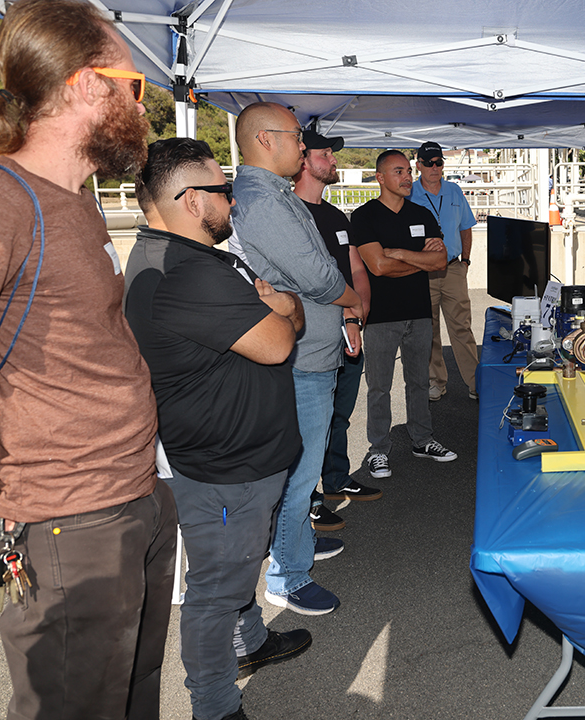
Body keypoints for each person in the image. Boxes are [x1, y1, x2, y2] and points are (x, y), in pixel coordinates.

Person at [0, 1, 178, 717]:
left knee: (131, 696)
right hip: (67, 520)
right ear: (87, 85)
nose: (141, 103)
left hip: (130, 500)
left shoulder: (74, 200)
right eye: (135, 84)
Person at [125, 138, 312, 720]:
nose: (233, 202)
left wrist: (282, 308)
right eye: (223, 191)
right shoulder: (185, 274)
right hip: (226, 468)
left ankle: (251, 642)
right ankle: (213, 704)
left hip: (238, 459)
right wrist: (284, 306)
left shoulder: (180, 257)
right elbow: (281, 339)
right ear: (188, 199)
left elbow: (282, 319)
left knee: (237, 564)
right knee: (216, 589)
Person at [231, 102, 362, 616]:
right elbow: (318, 276)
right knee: (301, 470)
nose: (303, 147)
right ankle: (287, 574)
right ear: (265, 139)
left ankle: (294, 546)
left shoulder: (271, 196)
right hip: (301, 358)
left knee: (300, 466)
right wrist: (349, 300)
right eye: (295, 137)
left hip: (310, 350)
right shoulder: (261, 201)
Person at [292, 130, 382, 528]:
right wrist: (346, 314)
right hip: (314, 340)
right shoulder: (289, 216)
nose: (333, 160)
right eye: (325, 154)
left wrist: (357, 316)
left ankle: (335, 480)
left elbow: (357, 270)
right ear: (302, 159)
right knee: (308, 423)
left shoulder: (335, 216)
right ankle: (306, 497)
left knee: (338, 415)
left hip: (350, 332)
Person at [351, 150, 456, 480]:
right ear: (381, 178)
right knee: (379, 387)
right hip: (381, 316)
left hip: (419, 313)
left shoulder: (422, 214)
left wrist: (396, 253)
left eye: (408, 171)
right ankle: (378, 450)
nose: (408, 177)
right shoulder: (364, 217)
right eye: (399, 172)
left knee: (419, 381)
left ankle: (422, 440)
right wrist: (414, 260)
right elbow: (377, 267)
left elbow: (440, 262)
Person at [409, 141, 480, 401]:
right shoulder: (409, 194)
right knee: (428, 330)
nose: (435, 167)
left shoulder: (454, 191)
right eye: (429, 163)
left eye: (439, 162)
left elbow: (466, 227)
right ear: (419, 166)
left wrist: (466, 261)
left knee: (462, 327)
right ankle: (436, 381)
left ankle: (475, 383)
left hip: (453, 269)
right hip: (422, 272)